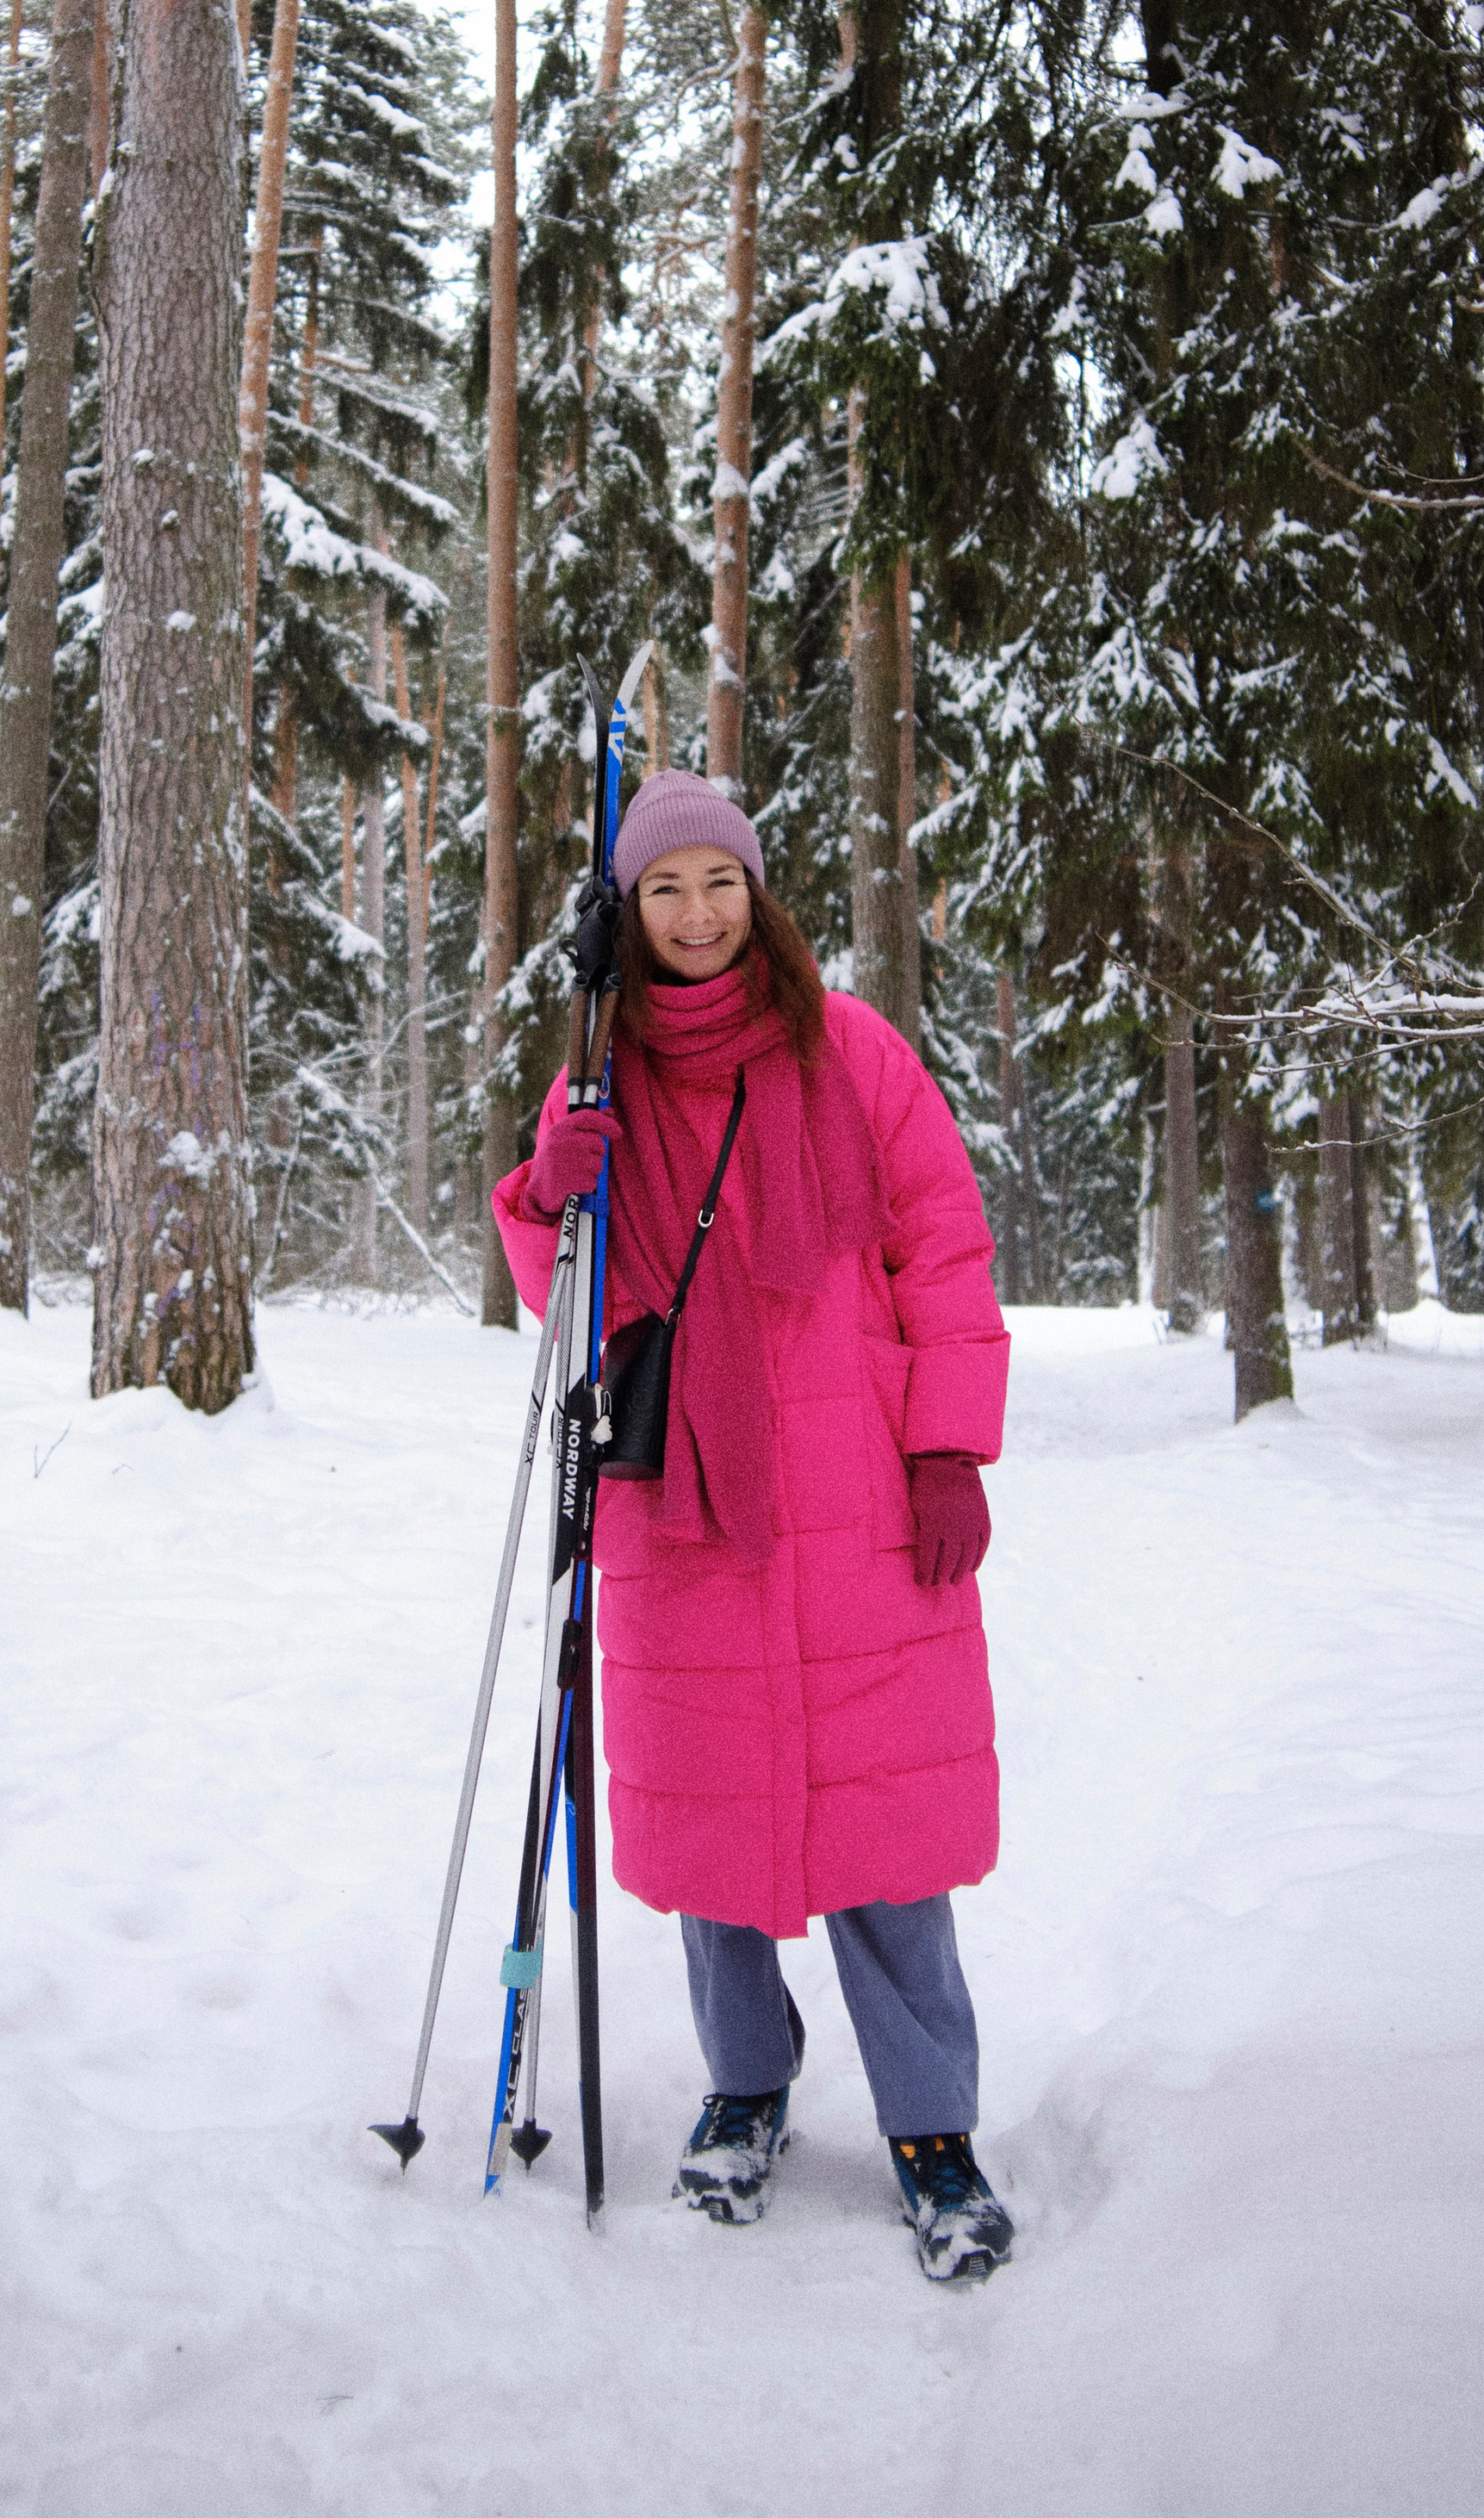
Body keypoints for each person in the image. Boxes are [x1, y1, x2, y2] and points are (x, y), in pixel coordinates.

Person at [492, 766, 1014, 2285]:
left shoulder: (851, 1051)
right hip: (684, 1510)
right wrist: (545, 1193)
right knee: (713, 1827)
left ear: (757, 893)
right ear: (629, 911)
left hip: (860, 1506)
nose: (699, 912)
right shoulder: (597, 1082)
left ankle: (933, 2126)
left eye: (720, 881)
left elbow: (943, 1247)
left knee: (886, 1834)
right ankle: (745, 2084)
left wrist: (948, 1447)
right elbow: (565, 1303)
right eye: (665, 888)